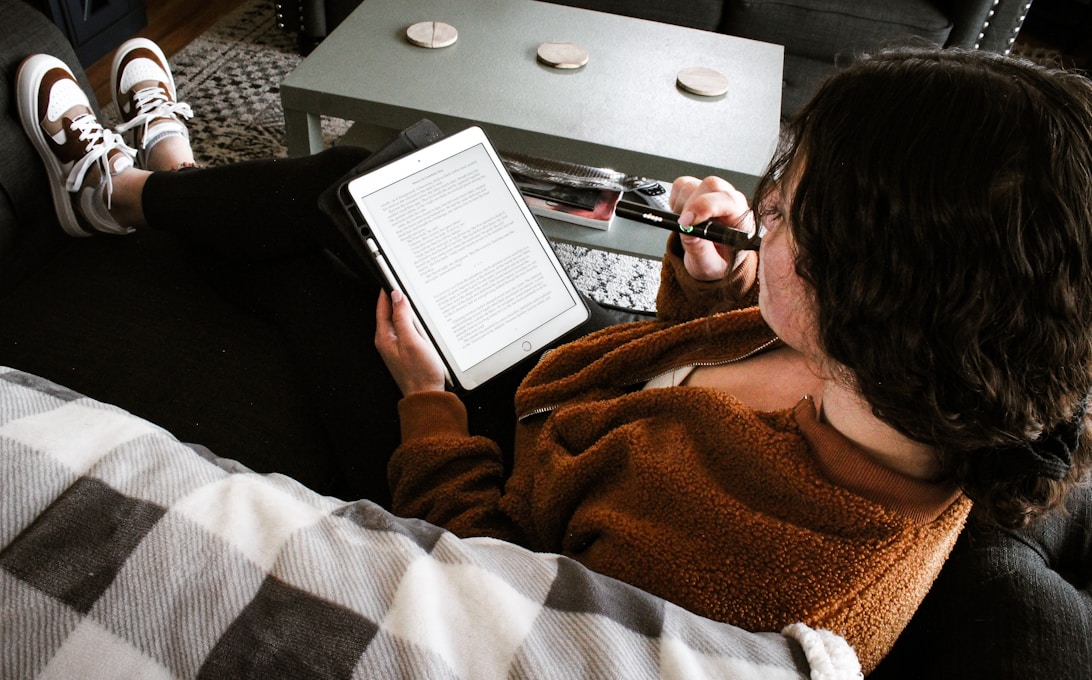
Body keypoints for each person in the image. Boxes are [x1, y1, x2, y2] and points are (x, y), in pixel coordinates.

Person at [16, 40, 1092, 673]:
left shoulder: (742, 569)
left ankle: (124, 194)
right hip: (554, 386)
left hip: (475, 467)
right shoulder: (904, 382)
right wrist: (711, 288)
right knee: (375, 177)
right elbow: (666, 376)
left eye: (791, 210)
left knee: (318, 261)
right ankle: (164, 180)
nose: (766, 205)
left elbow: (496, 576)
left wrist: (426, 403)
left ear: (866, 300)